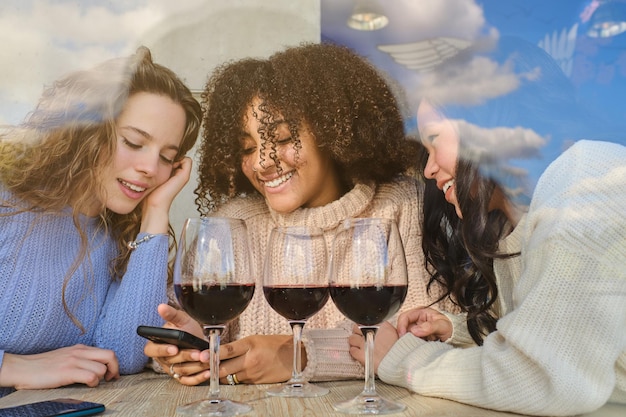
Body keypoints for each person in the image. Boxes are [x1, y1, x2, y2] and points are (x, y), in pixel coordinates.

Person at [144, 42, 459, 385]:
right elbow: (185, 331)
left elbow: (427, 332)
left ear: (332, 130)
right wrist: (191, 343)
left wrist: (301, 355)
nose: (262, 162)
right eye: (247, 148)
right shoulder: (233, 222)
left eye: (279, 138)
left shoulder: (402, 203)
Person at [350, 37, 626, 415]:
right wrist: (458, 330)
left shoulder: (586, 188)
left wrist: (401, 359)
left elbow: (543, 380)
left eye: (435, 143)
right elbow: (578, 345)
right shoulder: (530, 215)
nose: (429, 171)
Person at [0, 46, 202, 396]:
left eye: (167, 157)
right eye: (134, 142)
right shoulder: (7, 201)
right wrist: (10, 366)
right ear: (86, 130)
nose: (151, 169)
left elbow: (122, 356)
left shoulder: (118, 236)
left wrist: (155, 213)